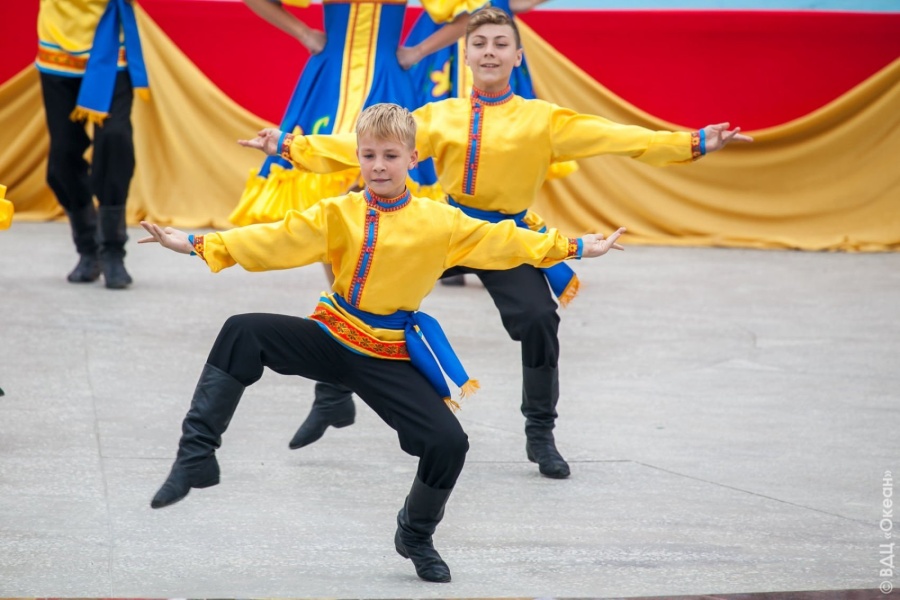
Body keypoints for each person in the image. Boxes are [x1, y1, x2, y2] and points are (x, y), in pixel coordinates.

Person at [240, 7, 753, 480]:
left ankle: (540, 431)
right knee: (359, 283)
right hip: (444, 229)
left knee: (539, 318)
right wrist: (290, 145)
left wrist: (693, 141)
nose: (489, 52)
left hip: (506, 237)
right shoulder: (439, 116)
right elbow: (361, 147)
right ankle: (333, 393)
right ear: (464, 56)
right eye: (479, 43)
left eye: (500, 44)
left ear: (517, 56)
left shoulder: (543, 120)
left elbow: (622, 138)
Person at [140, 103, 625, 582]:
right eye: (369, 155)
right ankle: (196, 456)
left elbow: (507, 240)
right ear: (357, 157)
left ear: (413, 158)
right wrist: (198, 244)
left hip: (388, 355)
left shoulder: (441, 222)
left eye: (390, 156)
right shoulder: (338, 212)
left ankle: (415, 533)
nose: (378, 166)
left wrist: (577, 246)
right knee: (242, 331)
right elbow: (277, 239)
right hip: (331, 336)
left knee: (449, 443)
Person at [234, 0, 486, 435]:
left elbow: (471, 12)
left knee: (379, 212)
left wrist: (417, 51)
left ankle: (341, 381)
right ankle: (340, 374)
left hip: (386, 84)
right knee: (337, 216)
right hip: (330, 82)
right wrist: (305, 34)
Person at [35, 0, 149, 289]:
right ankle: (88, 248)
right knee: (63, 157)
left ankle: (112, 250)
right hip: (57, 50)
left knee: (115, 141)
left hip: (109, 44)